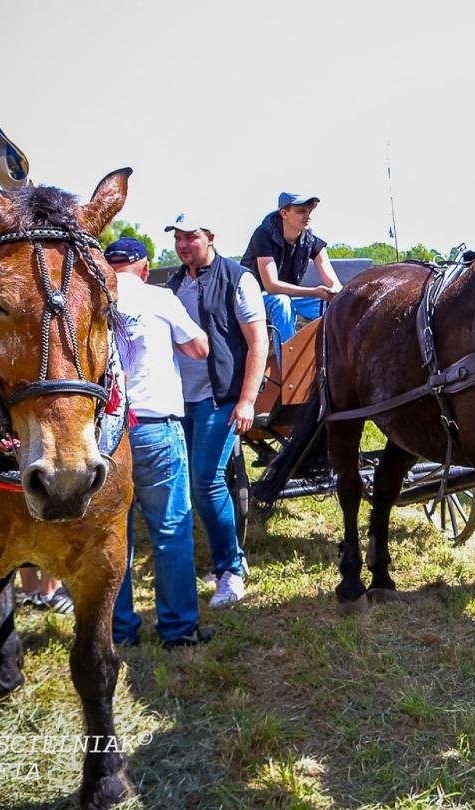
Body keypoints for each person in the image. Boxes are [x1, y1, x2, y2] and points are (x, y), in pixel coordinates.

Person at [105, 236, 215, 648]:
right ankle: (178, 629)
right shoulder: (159, 298)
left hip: (106, 432)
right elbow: (199, 348)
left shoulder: (92, 296)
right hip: (154, 425)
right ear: (146, 268)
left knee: (114, 534)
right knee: (170, 529)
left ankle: (118, 630)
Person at [164, 213, 268, 609]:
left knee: (206, 482)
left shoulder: (238, 279)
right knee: (197, 484)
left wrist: (247, 400)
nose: (183, 245)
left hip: (219, 398)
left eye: (191, 237)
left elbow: (258, 342)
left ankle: (231, 570)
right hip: (180, 400)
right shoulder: (174, 285)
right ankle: (225, 559)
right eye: (178, 238)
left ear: (210, 236)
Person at [240, 191, 343, 345]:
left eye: (309, 211)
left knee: (337, 307)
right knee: (281, 302)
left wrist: (337, 295)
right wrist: (314, 292)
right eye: (301, 211)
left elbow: (334, 283)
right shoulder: (263, 235)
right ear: (284, 213)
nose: (307, 216)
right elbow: (271, 286)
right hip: (256, 298)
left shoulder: (311, 241)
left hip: (292, 298)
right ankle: (288, 359)